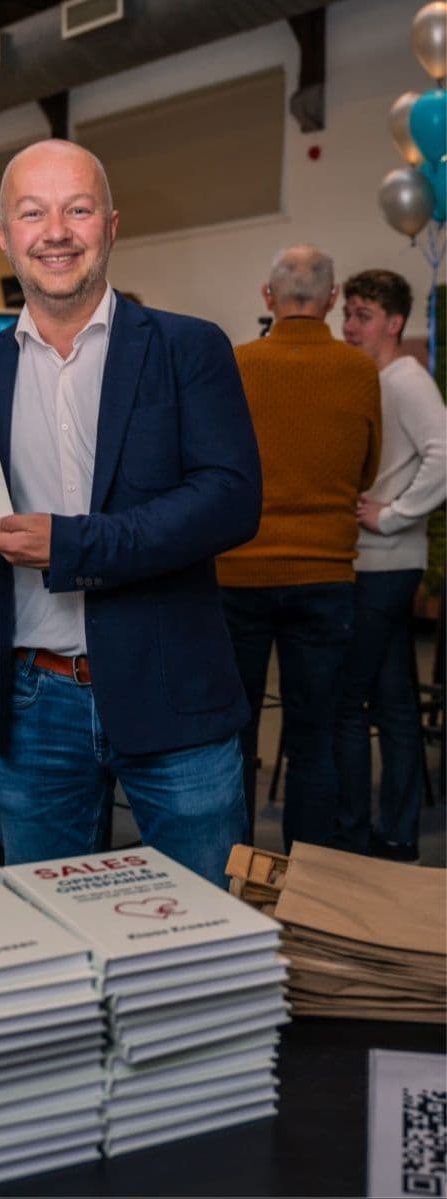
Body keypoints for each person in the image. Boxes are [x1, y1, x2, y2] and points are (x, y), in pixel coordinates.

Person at [0, 138, 261, 885]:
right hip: (31, 706)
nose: (56, 232)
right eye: (33, 213)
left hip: (173, 692)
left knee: (207, 931)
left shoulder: (189, 347)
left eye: (77, 210)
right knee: (47, 932)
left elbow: (230, 503)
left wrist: (72, 544)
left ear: (111, 225)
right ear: (4, 235)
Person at [217, 245, 382, 852]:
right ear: (333, 299)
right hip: (325, 576)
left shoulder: (238, 363)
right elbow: (366, 470)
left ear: (269, 296)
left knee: (233, 734)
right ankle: (305, 876)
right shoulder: (359, 370)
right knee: (314, 738)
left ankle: (232, 867)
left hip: (236, 573)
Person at [334, 269, 446, 862]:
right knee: (394, 699)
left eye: (363, 316)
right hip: (380, 561)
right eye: (347, 313)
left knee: (350, 699)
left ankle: (359, 835)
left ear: (395, 323)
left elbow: (445, 455)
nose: (350, 326)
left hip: (386, 562)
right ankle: (397, 835)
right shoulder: (378, 378)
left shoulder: (405, 380)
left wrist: (394, 515)